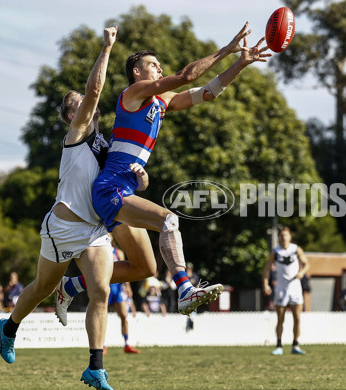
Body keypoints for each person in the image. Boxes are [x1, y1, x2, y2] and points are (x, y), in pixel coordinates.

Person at [59, 22, 270, 318]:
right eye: (153, 65)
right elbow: (186, 76)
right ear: (137, 72)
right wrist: (226, 49)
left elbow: (208, 92)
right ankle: (185, 289)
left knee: (145, 267)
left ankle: (70, 286)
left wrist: (240, 63)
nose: (159, 69)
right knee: (169, 220)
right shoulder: (132, 94)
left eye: (159, 66)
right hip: (110, 189)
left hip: (122, 190)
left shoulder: (161, 103)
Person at [0, 27, 124, 390]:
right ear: (70, 115)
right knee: (43, 288)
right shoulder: (76, 134)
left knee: (100, 291)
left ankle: (95, 367)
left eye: (81, 101)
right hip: (63, 228)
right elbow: (96, 90)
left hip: (96, 230)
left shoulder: (107, 145)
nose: (82, 103)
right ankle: (10, 328)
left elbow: (129, 181)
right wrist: (106, 47)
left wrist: (141, 176)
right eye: (75, 102)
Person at [262, 227, 310, 355]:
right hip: (281, 288)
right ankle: (279, 345)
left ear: (290, 237)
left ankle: (295, 344)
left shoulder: (296, 249)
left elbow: (307, 264)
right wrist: (266, 284)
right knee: (280, 318)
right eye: (281, 235)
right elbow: (267, 269)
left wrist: (301, 272)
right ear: (279, 237)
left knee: (297, 318)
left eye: (286, 235)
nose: (284, 238)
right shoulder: (275, 252)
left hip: (295, 287)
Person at [104, 236, 140, 355]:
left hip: (118, 287)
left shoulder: (118, 252)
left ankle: (127, 344)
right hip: (106, 286)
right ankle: (101, 345)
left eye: (109, 234)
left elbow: (125, 271)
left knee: (124, 315)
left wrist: (128, 287)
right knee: (102, 316)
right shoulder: (101, 251)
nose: (108, 236)